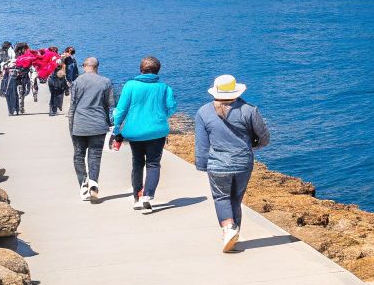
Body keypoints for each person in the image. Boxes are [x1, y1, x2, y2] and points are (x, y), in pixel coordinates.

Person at [193, 74, 271, 253]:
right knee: (236, 199)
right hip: (243, 162)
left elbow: (202, 144)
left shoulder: (204, 112)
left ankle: (228, 228)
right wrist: (251, 146)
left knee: (221, 198)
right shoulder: (249, 110)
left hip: (217, 164)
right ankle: (233, 236)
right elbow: (265, 138)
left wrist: (202, 165)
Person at [113, 56, 177, 211]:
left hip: (135, 132)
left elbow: (121, 110)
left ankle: (137, 197)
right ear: (158, 70)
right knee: (153, 164)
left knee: (137, 163)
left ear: (141, 69)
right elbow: (172, 108)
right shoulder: (164, 87)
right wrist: (161, 116)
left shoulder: (130, 85)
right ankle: (148, 195)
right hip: (157, 132)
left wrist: (117, 128)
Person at [68, 58, 116, 203]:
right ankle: (93, 183)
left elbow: (72, 105)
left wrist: (71, 126)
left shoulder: (77, 81)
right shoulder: (106, 82)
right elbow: (109, 104)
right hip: (98, 124)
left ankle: (83, 185)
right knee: (95, 155)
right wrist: (109, 124)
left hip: (80, 124)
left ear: (84, 66)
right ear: (97, 67)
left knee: (78, 155)